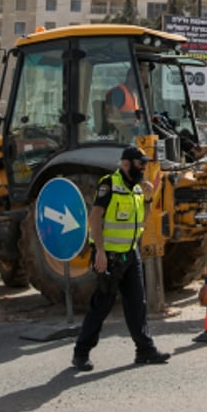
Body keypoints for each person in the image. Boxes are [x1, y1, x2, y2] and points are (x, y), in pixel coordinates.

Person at [72, 146, 170, 371]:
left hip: (130, 253)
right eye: (140, 163)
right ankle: (81, 352)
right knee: (102, 306)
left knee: (137, 304)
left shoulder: (137, 188)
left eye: (145, 163)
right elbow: (95, 217)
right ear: (126, 164)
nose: (144, 167)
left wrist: (147, 199)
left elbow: (141, 221)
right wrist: (99, 251)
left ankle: (145, 350)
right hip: (110, 257)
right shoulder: (109, 184)